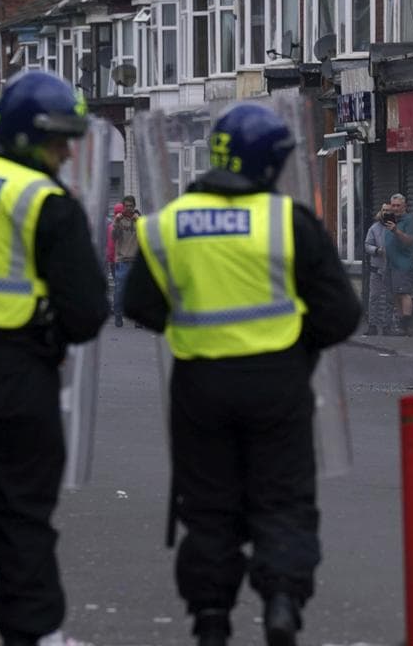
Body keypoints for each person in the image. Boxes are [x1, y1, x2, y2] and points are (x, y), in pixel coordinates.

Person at [123, 102, 361, 646]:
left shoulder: (167, 226)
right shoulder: (288, 222)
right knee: (283, 500)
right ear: (267, 165)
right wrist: (298, 344)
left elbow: (136, 303)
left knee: (208, 507)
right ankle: (281, 601)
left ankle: (210, 619)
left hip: (199, 387)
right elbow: (342, 314)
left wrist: (188, 323)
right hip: (277, 383)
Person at [0, 71, 108, 646]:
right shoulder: (44, 201)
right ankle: (32, 631)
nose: (67, 152)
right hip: (19, 375)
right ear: (25, 135)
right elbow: (88, 311)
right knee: (21, 516)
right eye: (58, 140)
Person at [384, 193, 413, 335]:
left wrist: (396, 231)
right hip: (391, 265)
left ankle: (406, 326)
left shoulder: (409, 220)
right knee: (395, 295)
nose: (396, 208)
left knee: (404, 293)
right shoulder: (391, 219)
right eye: (393, 205)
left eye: (398, 205)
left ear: (405, 206)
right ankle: (400, 324)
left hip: (403, 264)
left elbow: (409, 240)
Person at [111, 195, 141, 327]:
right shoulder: (119, 220)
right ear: (123, 207)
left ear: (134, 206)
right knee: (120, 290)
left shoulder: (139, 219)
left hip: (136, 261)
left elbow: (146, 236)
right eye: (126, 206)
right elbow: (114, 237)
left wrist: (139, 222)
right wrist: (116, 222)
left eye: (131, 206)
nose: (129, 208)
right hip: (122, 260)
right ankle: (118, 315)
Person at [364, 203, 393, 336]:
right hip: (376, 268)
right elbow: (367, 245)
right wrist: (376, 250)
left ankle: (387, 326)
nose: (386, 213)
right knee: (374, 298)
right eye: (384, 210)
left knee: (389, 298)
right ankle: (373, 325)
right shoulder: (374, 228)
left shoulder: (394, 227)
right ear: (380, 211)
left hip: (391, 268)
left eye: (388, 210)